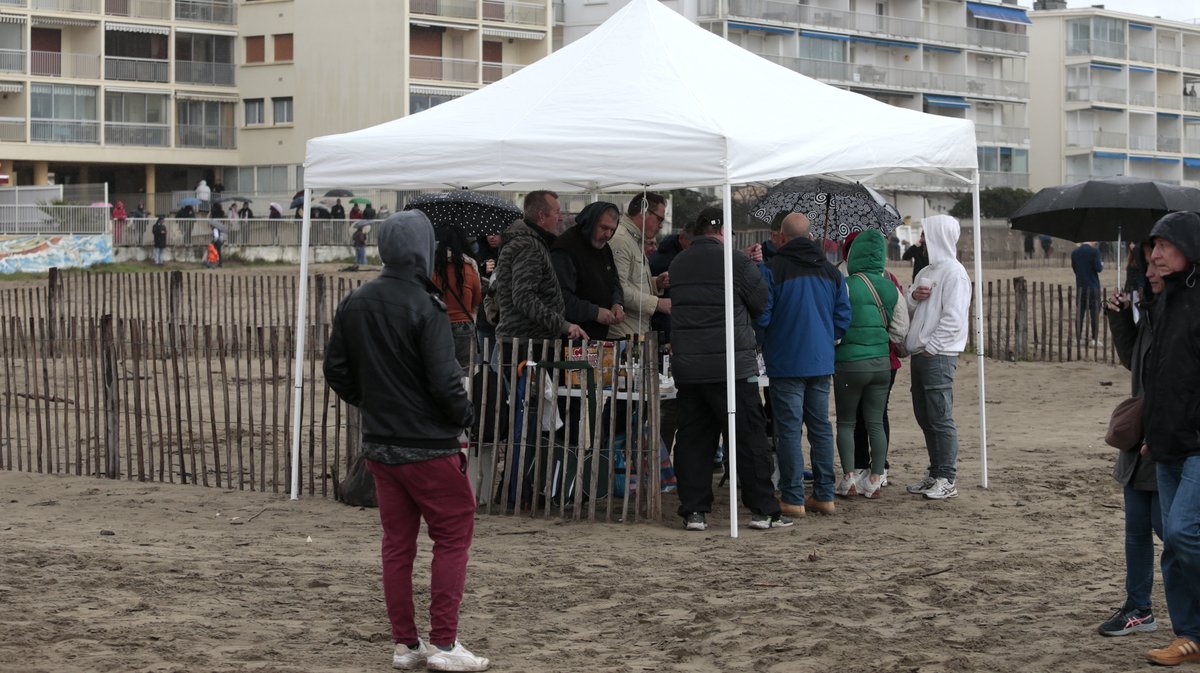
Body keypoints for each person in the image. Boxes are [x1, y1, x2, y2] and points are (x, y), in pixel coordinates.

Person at [323, 210, 489, 673]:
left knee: (397, 544)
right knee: (453, 538)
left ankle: (406, 645)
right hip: (430, 446)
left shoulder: (355, 301)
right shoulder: (425, 305)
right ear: (423, 249)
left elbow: (335, 370)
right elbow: (445, 381)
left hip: (380, 446)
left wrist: (373, 402)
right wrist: (465, 417)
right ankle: (444, 643)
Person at [669, 207, 791, 531]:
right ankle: (763, 509)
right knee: (749, 438)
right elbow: (760, 301)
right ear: (723, 230)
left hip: (690, 367)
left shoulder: (678, 263)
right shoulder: (735, 261)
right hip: (731, 365)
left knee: (694, 438)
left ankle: (694, 510)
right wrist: (754, 267)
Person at [757, 212, 850, 516]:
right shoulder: (831, 271)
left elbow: (764, 316)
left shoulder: (772, 271)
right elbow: (842, 318)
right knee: (820, 428)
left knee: (789, 431)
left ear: (781, 237)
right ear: (809, 236)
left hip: (786, 361)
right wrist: (825, 339)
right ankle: (824, 495)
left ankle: (793, 497)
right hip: (821, 361)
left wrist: (767, 339)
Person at [1141, 211, 1200, 667]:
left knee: (1183, 532)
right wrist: (1151, 432)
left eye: (1164, 245)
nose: (1156, 254)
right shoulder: (1165, 301)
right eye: (1153, 246)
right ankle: (1190, 636)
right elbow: (1158, 378)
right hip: (1166, 442)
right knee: (1173, 547)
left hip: (1197, 442)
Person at [1100, 242, 1162, 638]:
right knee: (1138, 527)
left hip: (1170, 438)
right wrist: (1121, 317)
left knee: (1174, 531)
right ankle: (1139, 607)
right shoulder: (1154, 316)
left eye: (1154, 267)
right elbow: (1133, 361)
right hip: (1138, 437)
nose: (1143, 277)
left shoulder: (1183, 314)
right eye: (1141, 270)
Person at [904, 214, 971, 501]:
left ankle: (947, 477)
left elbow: (954, 318)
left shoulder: (954, 273)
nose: (921, 241)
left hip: (938, 354)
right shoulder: (927, 271)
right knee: (926, 416)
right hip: (922, 352)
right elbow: (909, 307)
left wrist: (933, 346)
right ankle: (935, 472)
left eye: (925, 235)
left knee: (940, 416)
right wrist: (913, 296)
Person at [834, 229, 903, 500]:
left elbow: (836, 326)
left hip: (850, 364)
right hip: (882, 364)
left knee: (847, 422)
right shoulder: (891, 286)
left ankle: (849, 477)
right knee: (876, 421)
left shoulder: (845, 284)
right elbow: (900, 331)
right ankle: (875, 478)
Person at [494, 190, 587, 356]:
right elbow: (523, 297)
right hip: (527, 345)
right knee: (530, 383)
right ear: (541, 216)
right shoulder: (528, 246)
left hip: (528, 342)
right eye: (556, 212)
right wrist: (564, 325)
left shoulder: (531, 242)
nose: (560, 218)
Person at [607, 193, 669, 339]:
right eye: (659, 219)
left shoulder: (632, 239)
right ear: (644, 212)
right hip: (623, 334)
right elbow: (617, 289)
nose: (660, 226)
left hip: (632, 332)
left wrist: (655, 283)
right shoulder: (621, 240)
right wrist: (657, 303)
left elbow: (632, 281)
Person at [431, 225, 482, 371]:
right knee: (466, 372)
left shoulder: (434, 270)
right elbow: (477, 300)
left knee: (440, 371)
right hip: (464, 326)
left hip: (440, 326)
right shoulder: (469, 268)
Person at [474, 233, 502, 358]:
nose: (491, 237)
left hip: (504, 319)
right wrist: (482, 270)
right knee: (484, 364)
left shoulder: (511, 254)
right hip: (485, 318)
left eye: (496, 233)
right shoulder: (479, 255)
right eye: (488, 234)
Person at [1072, 241, 1103, 342]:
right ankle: (1094, 338)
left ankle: (1078, 337)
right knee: (1094, 314)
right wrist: (1101, 264)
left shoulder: (1075, 252)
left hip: (1080, 286)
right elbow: (1098, 268)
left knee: (1080, 313)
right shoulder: (1094, 252)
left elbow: (1075, 269)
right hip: (1093, 286)